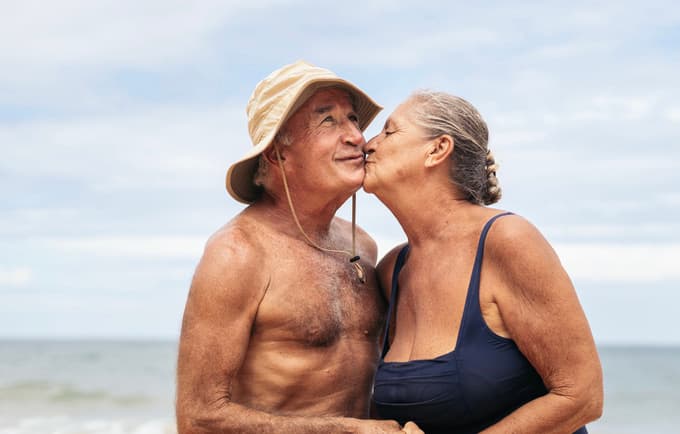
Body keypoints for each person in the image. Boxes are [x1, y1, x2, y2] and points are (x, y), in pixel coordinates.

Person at [176, 61, 420, 433]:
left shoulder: (363, 246)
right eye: (328, 121)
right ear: (277, 154)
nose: (357, 136)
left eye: (353, 118)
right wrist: (350, 431)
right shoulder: (238, 254)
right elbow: (198, 419)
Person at [362, 90, 604, 433]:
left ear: (437, 149)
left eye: (389, 132)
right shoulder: (392, 271)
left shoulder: (508, 241)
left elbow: (582, 396)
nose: (368, 144)